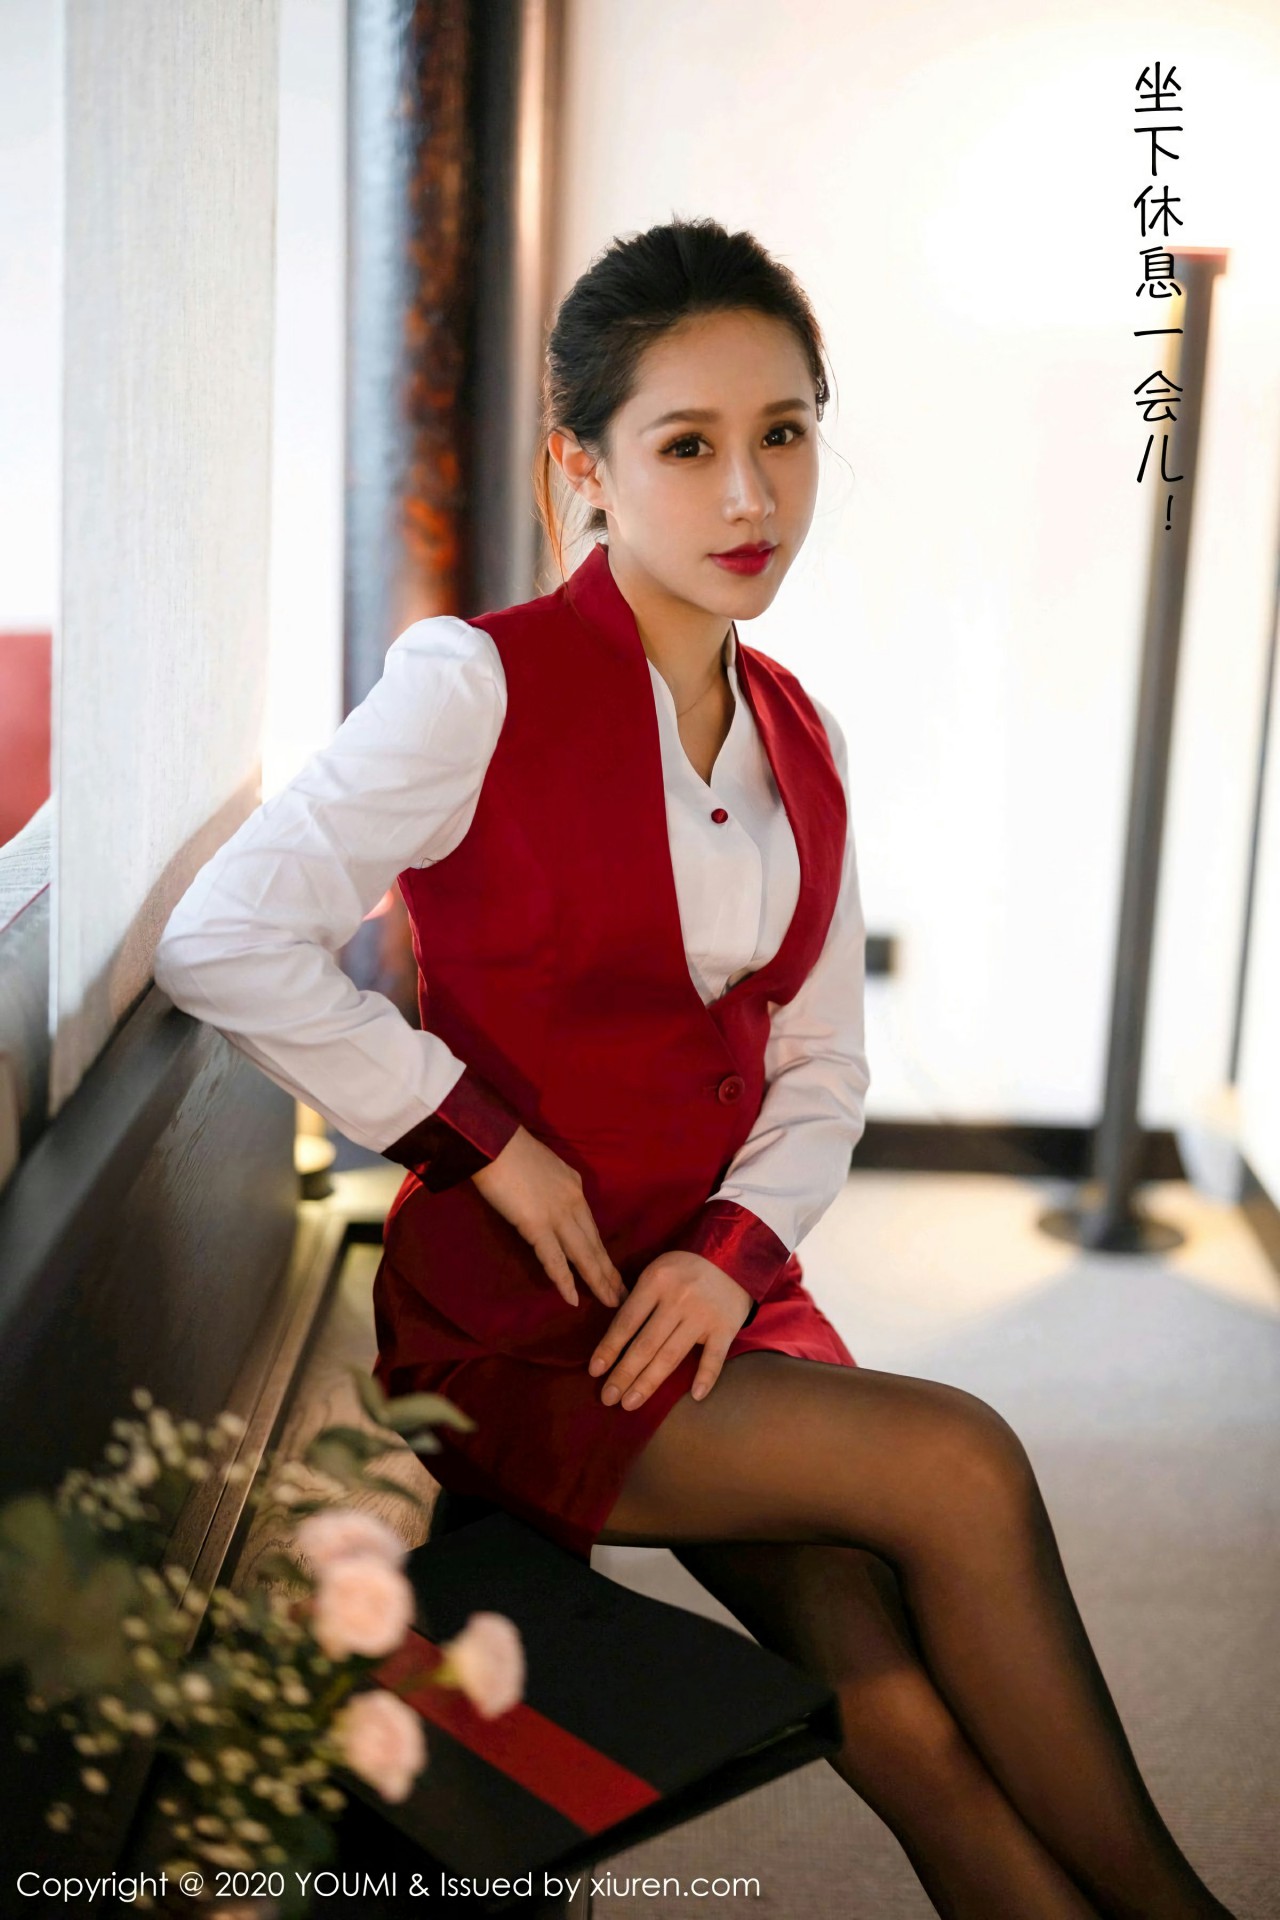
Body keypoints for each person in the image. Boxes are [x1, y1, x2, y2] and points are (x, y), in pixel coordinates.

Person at [153, 218, 1236, 1920]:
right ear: (583, 466)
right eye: (688, 446)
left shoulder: (802, 729)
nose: (751, 495)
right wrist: (477, 1137)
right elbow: (221, 938)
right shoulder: (475, 687)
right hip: (532, 1328)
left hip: (717, 1303)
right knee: (958, 1461)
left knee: (896, 1704)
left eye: (784, 434)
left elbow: (823, 1059)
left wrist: (735, 1256)